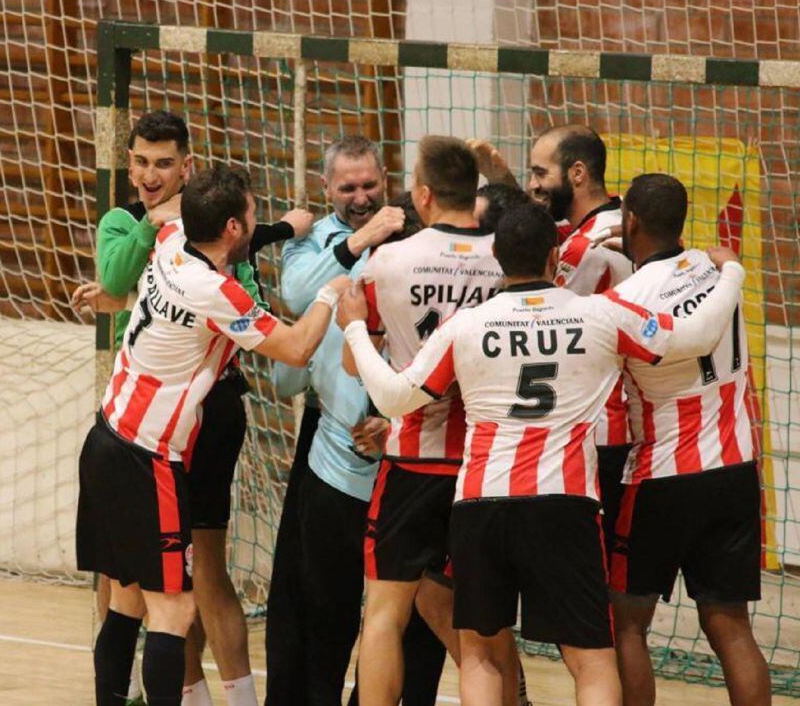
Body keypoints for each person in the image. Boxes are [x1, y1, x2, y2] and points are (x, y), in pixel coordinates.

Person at [338, 202, 746, 706]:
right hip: (565, 504)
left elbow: (393, 398)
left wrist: (354, 328)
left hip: (481, 504)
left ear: (498, 257)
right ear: (554, 257)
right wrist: (731, 271)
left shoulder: (467, 325)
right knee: (591, 662)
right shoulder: (600, 312)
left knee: (481, 656)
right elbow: (699, 336)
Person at [77, 164, 349, 706]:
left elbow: (166, 229)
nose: (256, 219)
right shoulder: (218, 293)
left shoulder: (171, 239)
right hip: (146, 458)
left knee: (126, 601)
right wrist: (329, 293)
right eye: (251, 214)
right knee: (174, 611)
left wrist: (116, 298)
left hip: (105, 436)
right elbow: (297, 348)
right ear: (231, 227)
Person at [267, 135, 447, 706]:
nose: (361, 197)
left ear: (386, 179)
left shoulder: (419, 242)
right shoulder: (311, 241)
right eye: (348, 187)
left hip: (412, 457)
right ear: (326, 188)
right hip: (335, 450)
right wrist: (361, 242)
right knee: (324, 607)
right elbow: (296, 295)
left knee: (412, 617)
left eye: (370, 184)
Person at [345, 136, 507, 706]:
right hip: (486, 464)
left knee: (384, 615)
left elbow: (355, 362)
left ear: (423, 194)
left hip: (413, 457)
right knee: (482, 628)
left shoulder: (387, 261)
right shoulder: (507, 257)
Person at [605, 174, 771, 706]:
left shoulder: (621, 302)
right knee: (731, 628)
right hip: (735, 468)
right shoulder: (717, 268)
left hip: (661, 477)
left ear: (631, 220)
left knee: (626, 624)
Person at [469, 126, 634, 561]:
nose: (534, 184)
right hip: (609, 424)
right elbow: (544, 230)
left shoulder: (587, 248)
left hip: (596, 429)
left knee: (581, 573)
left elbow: (538, 303)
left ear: (577, 173)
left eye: (541, 173)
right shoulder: (614, 218)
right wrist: (503, 181)